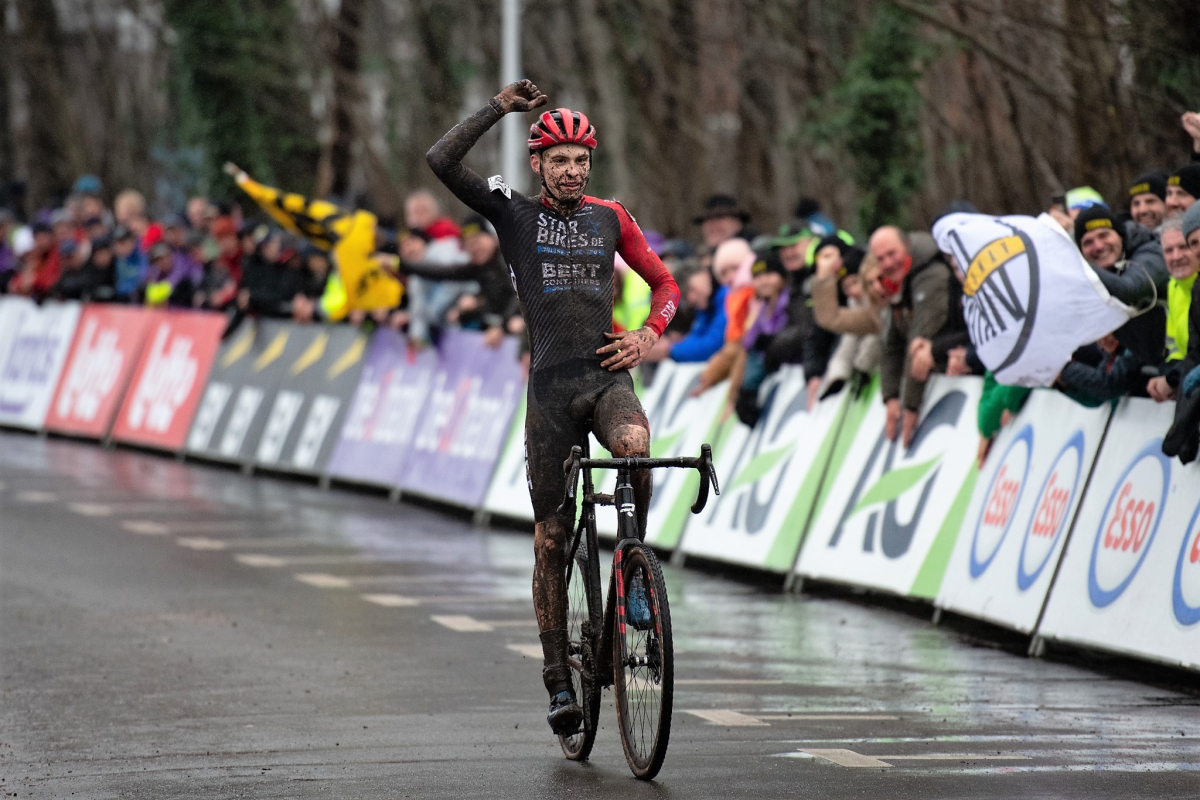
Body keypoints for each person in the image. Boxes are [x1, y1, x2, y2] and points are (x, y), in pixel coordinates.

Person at [427, 80, 678, 735]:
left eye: (581, 160)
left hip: (605, 379)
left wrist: (648, 333)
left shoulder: (611, 216)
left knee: (636, 449)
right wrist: (497, 109)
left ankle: (633, 579)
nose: (572, 171)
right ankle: (558, 681)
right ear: (537, 165)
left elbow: (666, 283)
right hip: (549, 396)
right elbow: (441, 162)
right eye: (560, 160)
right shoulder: (511, 211)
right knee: (551, 540)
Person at [871, 225, 963, 445]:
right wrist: (891, 397)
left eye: (892, 254)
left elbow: (920, 337)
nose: (888, 264)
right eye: (880, 259)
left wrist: (910, 406)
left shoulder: (932, 274)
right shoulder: (900, 279)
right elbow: (891, 342)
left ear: (907, 246)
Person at [400, 213, 520, 347]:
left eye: (476, 241)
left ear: (492, 238)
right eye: (468, 244)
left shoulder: (508, 260)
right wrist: (399, 264)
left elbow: (519, 295)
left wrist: (502, 327)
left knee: (516, 325)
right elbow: (441, 272)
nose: (474, 248)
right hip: (498, 326)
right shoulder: (478, 267)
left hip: (522, 325)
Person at [1147, 217, 1198, 402]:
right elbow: (1174, 346)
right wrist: (1168, 376)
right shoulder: (1174, 286)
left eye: (1183, 247)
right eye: (1168, 250)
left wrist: (1173, 379)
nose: (1176, 257)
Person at [664, 266, 727, 363]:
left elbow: (714, 344)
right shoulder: (705, 308)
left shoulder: (727, 296)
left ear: (704, 275)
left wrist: (670, 350)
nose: (691, 298)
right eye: (685, 296)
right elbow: (696, 336)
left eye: (691, 288)